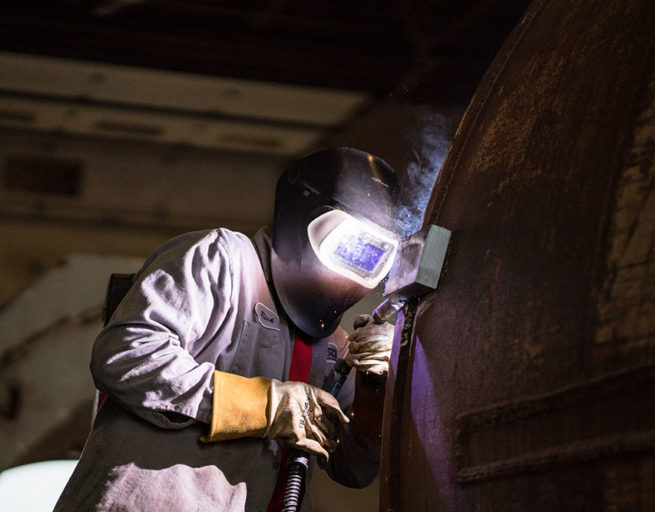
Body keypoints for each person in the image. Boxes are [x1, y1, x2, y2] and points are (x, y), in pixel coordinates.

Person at [54, 148, 405, 512]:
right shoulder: (223, 260)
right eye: (347, 245)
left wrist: (374, 387)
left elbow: (355, 469)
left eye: (371, 257)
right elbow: (125, 355)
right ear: (304, 220)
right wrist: (264, 404)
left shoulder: (337, 346)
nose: (353, 264)